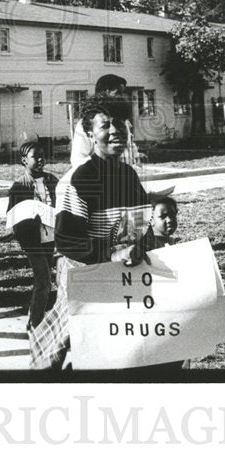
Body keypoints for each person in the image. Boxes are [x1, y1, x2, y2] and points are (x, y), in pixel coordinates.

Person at [30, 94, 151, 370]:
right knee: (58, 346)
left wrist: (140, 246)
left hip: (121, 274)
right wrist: (112, 253)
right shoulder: (79, 179)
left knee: (114, 346)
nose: (115, 130)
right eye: (104, 125)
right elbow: (68, 241)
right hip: (82, 272)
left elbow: (139, 225)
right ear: (89, 133)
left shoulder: (127, 175)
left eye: (119, 123)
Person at [6, 141, 59, 330]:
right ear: (23, 161)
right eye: (35, 156)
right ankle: (35, 325)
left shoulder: (52, 180)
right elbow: (12, 219)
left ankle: (34, 319)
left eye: (42, 155)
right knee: (44, 279)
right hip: (32, 241)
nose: (40, 159)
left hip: (49, 238)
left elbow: (61, 205)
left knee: (44, 280)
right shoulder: (19, 186)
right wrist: (29, 222)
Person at [69, 74, 139, 166]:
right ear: (106, 92)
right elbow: (77, 159)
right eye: (118, 93)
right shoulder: (88, 123)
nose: (121, 97)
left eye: (122, 93)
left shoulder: (122, 121)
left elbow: (129, 149)